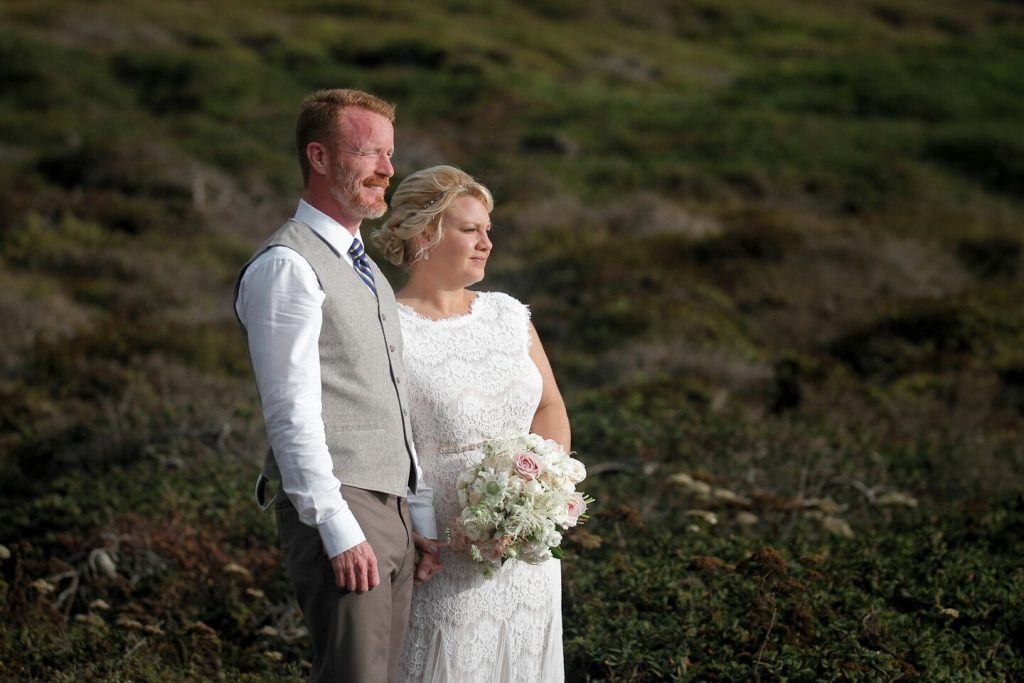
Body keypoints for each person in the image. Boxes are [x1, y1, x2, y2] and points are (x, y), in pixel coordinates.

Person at [233, 88, 441, 683]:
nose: (388, 170)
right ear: (319, 158)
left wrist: (416, 514)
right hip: (344, 507)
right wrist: (335, 526)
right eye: (369, 153)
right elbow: (290, 410)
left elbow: (390, 398)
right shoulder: (286, 265)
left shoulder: (367, 267)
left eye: (390, 154)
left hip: (391, 508)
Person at [374, 165, 571, 682]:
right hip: (442, 548)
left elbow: (550, 407)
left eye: (488, 230)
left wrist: (541, 491)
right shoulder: (388, 327)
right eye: (470, 230)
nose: (486, 242)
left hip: (527, 549)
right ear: (425, 232)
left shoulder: (509, 315)